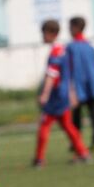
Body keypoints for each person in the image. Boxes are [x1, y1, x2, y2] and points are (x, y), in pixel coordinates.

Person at [33, 19, 90, 167]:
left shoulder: (56, 52)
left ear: (51, 33)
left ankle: (39, 158)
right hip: (63, 94)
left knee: (45, 125)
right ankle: (83, 152)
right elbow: (69, 74)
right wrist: (72, 92)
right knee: (67, 125)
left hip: (55, 96)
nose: (42, 37)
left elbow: (53, 74)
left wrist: (45, 94)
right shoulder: (64, 50)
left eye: (44, 33)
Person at [66, 17, 94, 153]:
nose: (69, 30)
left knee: (77, 117)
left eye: (70, 27)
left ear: (76, 28)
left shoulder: (71, 47)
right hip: (92, 85)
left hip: (79, 87)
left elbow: (69, 69)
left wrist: (70, 87)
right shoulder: (90, 46)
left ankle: (77, 143)